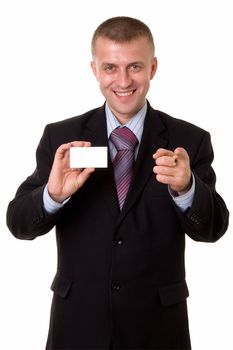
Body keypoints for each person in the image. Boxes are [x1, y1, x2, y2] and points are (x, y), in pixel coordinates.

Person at [7, 16, 229, 350]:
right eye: (110, 67)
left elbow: (212, 230)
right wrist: (52, 195)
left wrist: (187, 189)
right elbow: (19, 224)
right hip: (78, 327)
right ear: (94, 70)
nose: (123, 80)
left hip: (157, 329)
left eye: (135, 67)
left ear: (153, 68)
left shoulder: (189, 140)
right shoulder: (61, 138)